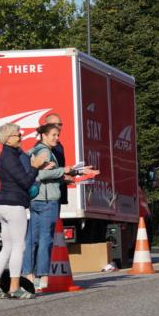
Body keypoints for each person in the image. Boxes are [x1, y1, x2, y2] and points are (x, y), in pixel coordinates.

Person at [22, 123, 97, 291]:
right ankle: (42, 276)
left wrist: (67, 176)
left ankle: (28, 274)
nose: (57, 138)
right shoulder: (45, 151)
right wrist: (66, 170)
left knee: (32, 239)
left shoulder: (34, 149)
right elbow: (42, 174)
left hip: (36, 199)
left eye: (58, 135)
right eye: (54, 135)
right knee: (45, 239)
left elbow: (44, 175)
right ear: (44, 135)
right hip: (48, 201)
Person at [0, 123, 48, 300]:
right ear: (7, 138)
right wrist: (35, 167)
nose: (21, 137)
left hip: (4, 205)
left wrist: (39, 166)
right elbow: (25, 182)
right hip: (13, 206)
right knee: (20, 247)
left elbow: (25, 171)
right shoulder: (8, 157)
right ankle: (14, 288)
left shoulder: (12, 154)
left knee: (7, 248)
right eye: (17, 135)